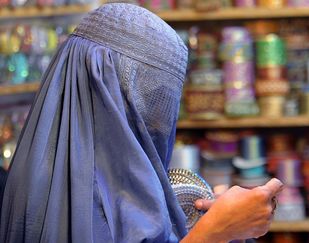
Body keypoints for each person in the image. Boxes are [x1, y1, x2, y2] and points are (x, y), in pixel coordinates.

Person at [0, 3, 283, 243]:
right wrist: (215, 231)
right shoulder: (83, 201)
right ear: (109, 91)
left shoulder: (42, 171)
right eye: (150, 97)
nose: (160, 120)